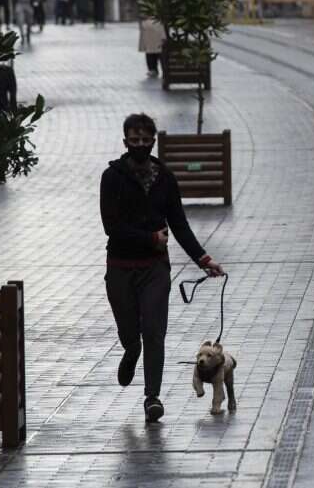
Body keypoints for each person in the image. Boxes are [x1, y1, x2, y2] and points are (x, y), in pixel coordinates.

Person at [100, 113, 225, 423]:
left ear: (153, 141)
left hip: (155, 268)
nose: (140, 144)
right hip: (120, 267)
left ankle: (151, 397)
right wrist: (149, 236)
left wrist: (203, 259)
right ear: (125, 141)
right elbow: (110, 226)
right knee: (132, 332)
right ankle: (131, 351)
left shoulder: (165, 178)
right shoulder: (112, 177)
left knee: (154, 331)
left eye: (145, 139)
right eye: (134, 139)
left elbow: (178, 224)